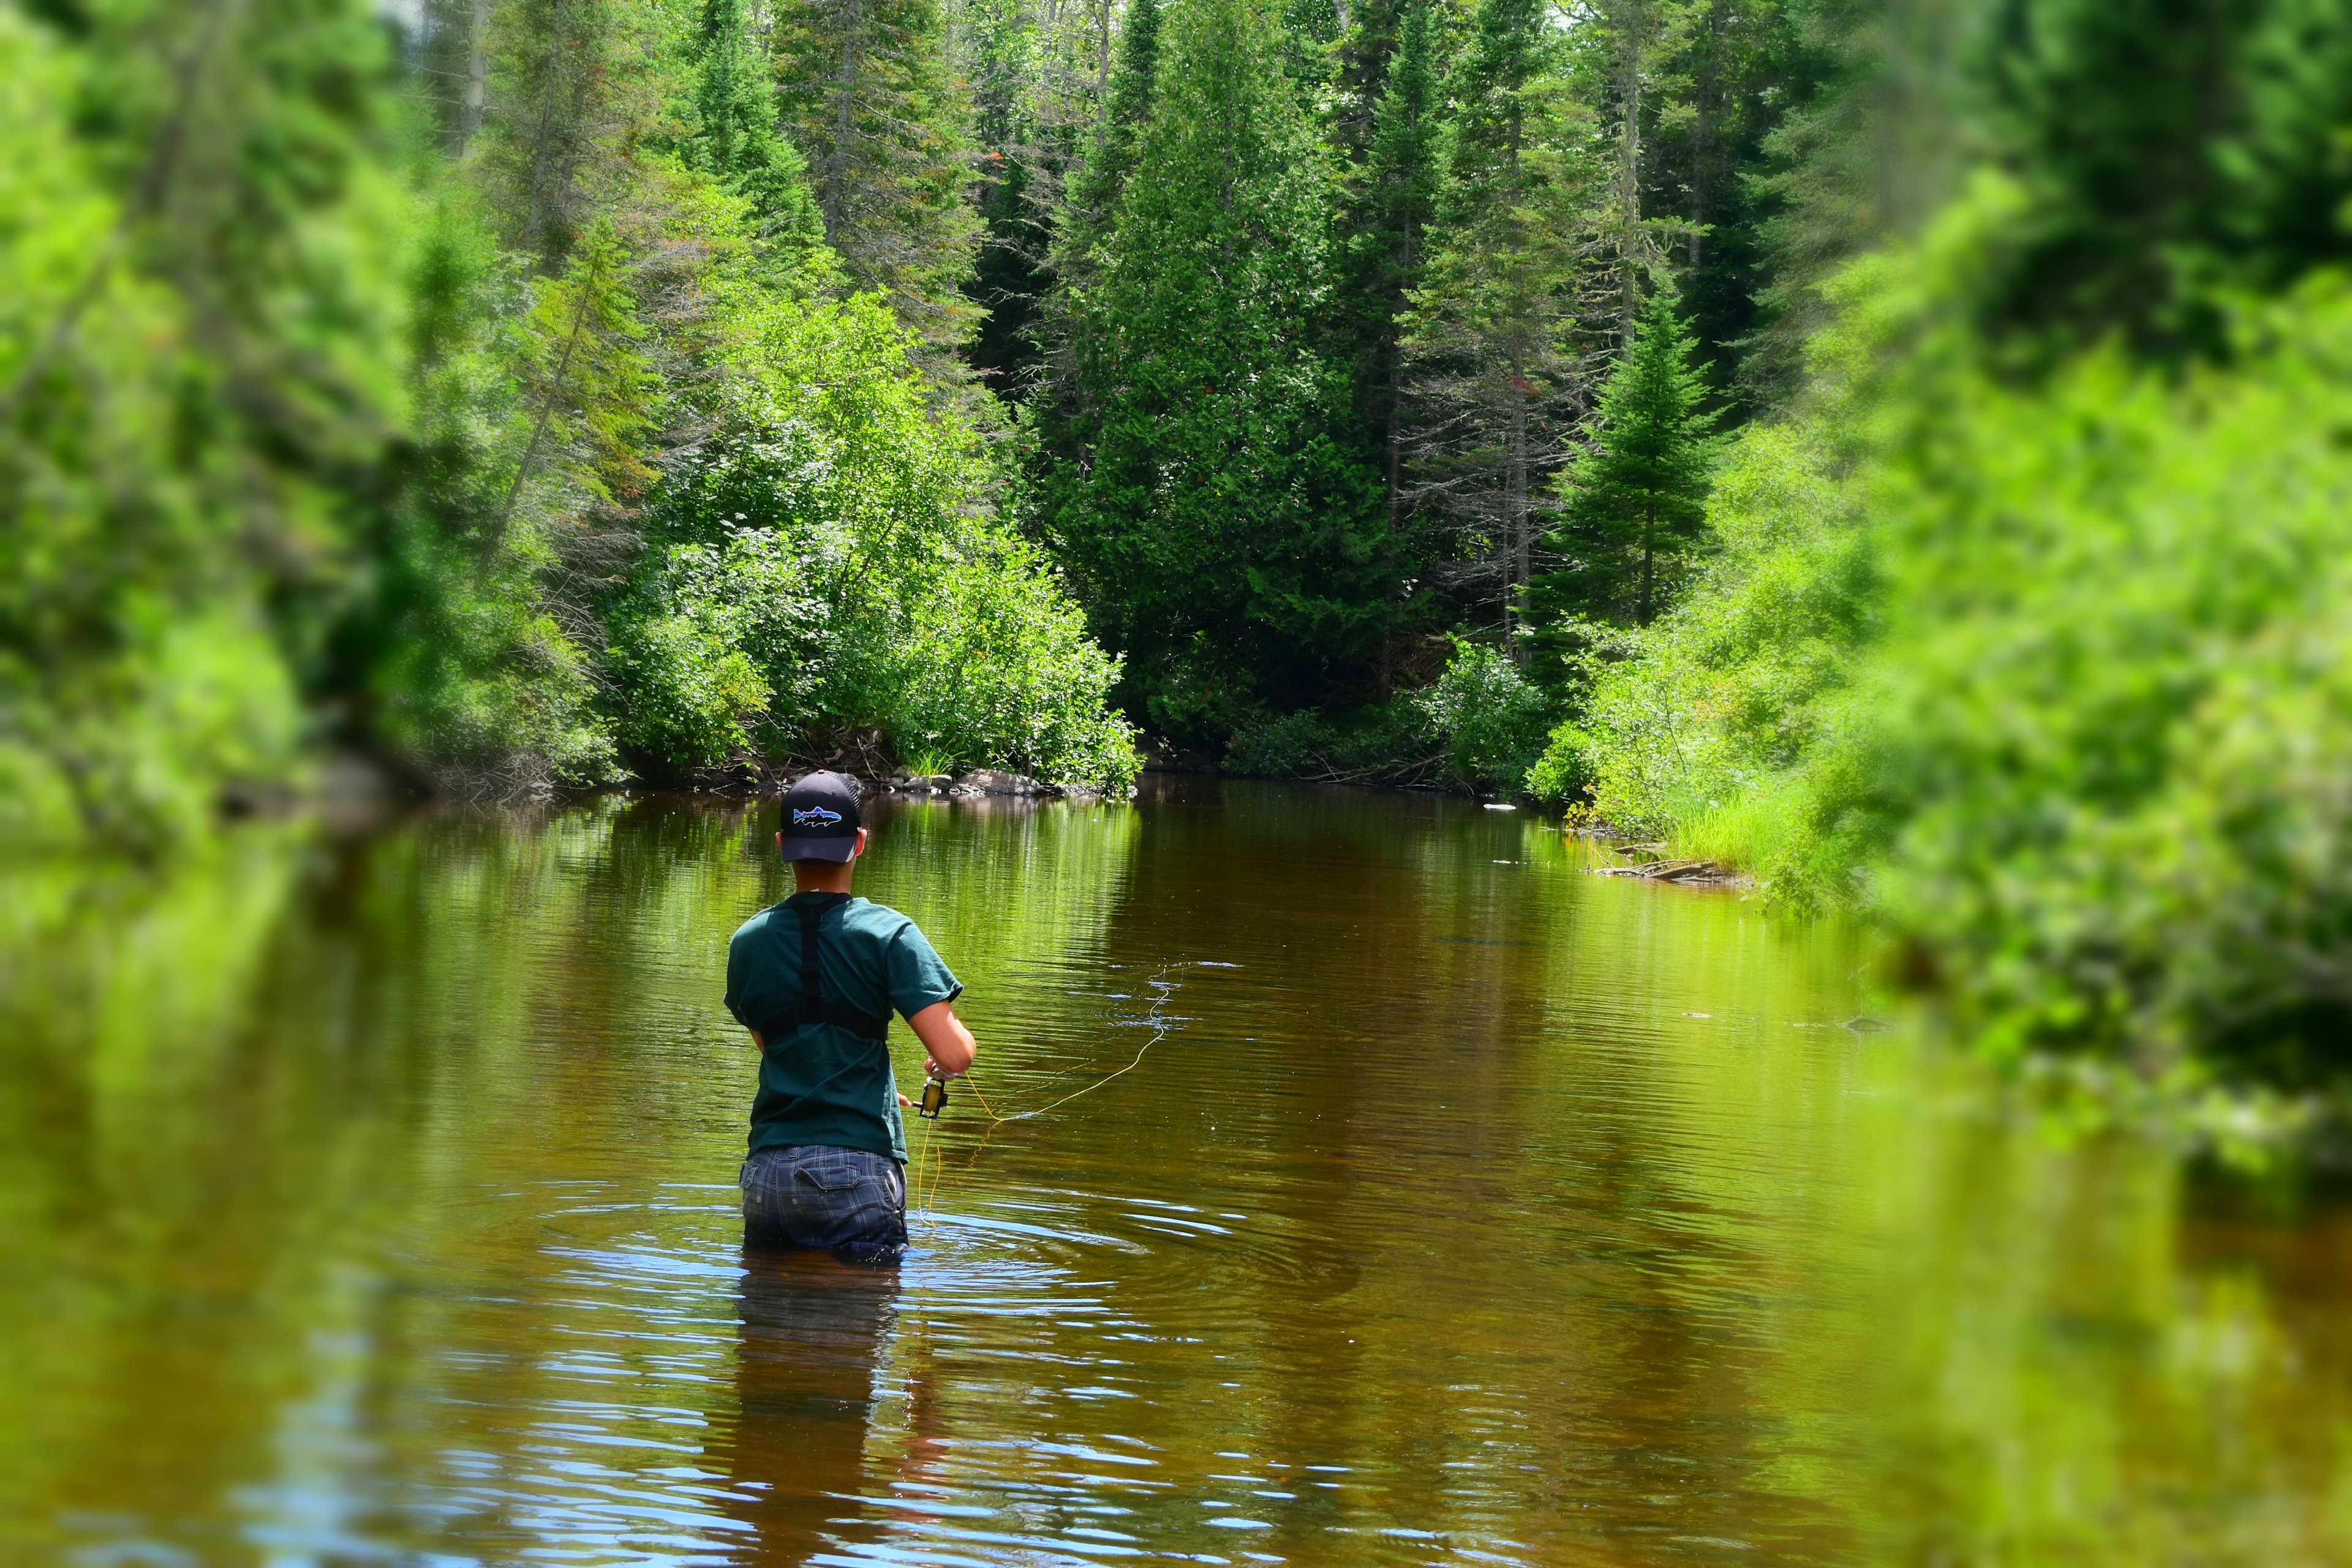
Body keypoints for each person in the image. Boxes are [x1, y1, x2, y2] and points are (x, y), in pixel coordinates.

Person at [725, 771, 976, 1264]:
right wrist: (946, 1056)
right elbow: (954, 1055)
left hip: (768, 1171)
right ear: (860, 842)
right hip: (856, 1169)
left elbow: (778, 1046)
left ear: (782, 844)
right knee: (859, 1324)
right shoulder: (889, 934)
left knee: (768, 1331)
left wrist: (877, 1088)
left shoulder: (748, 941)